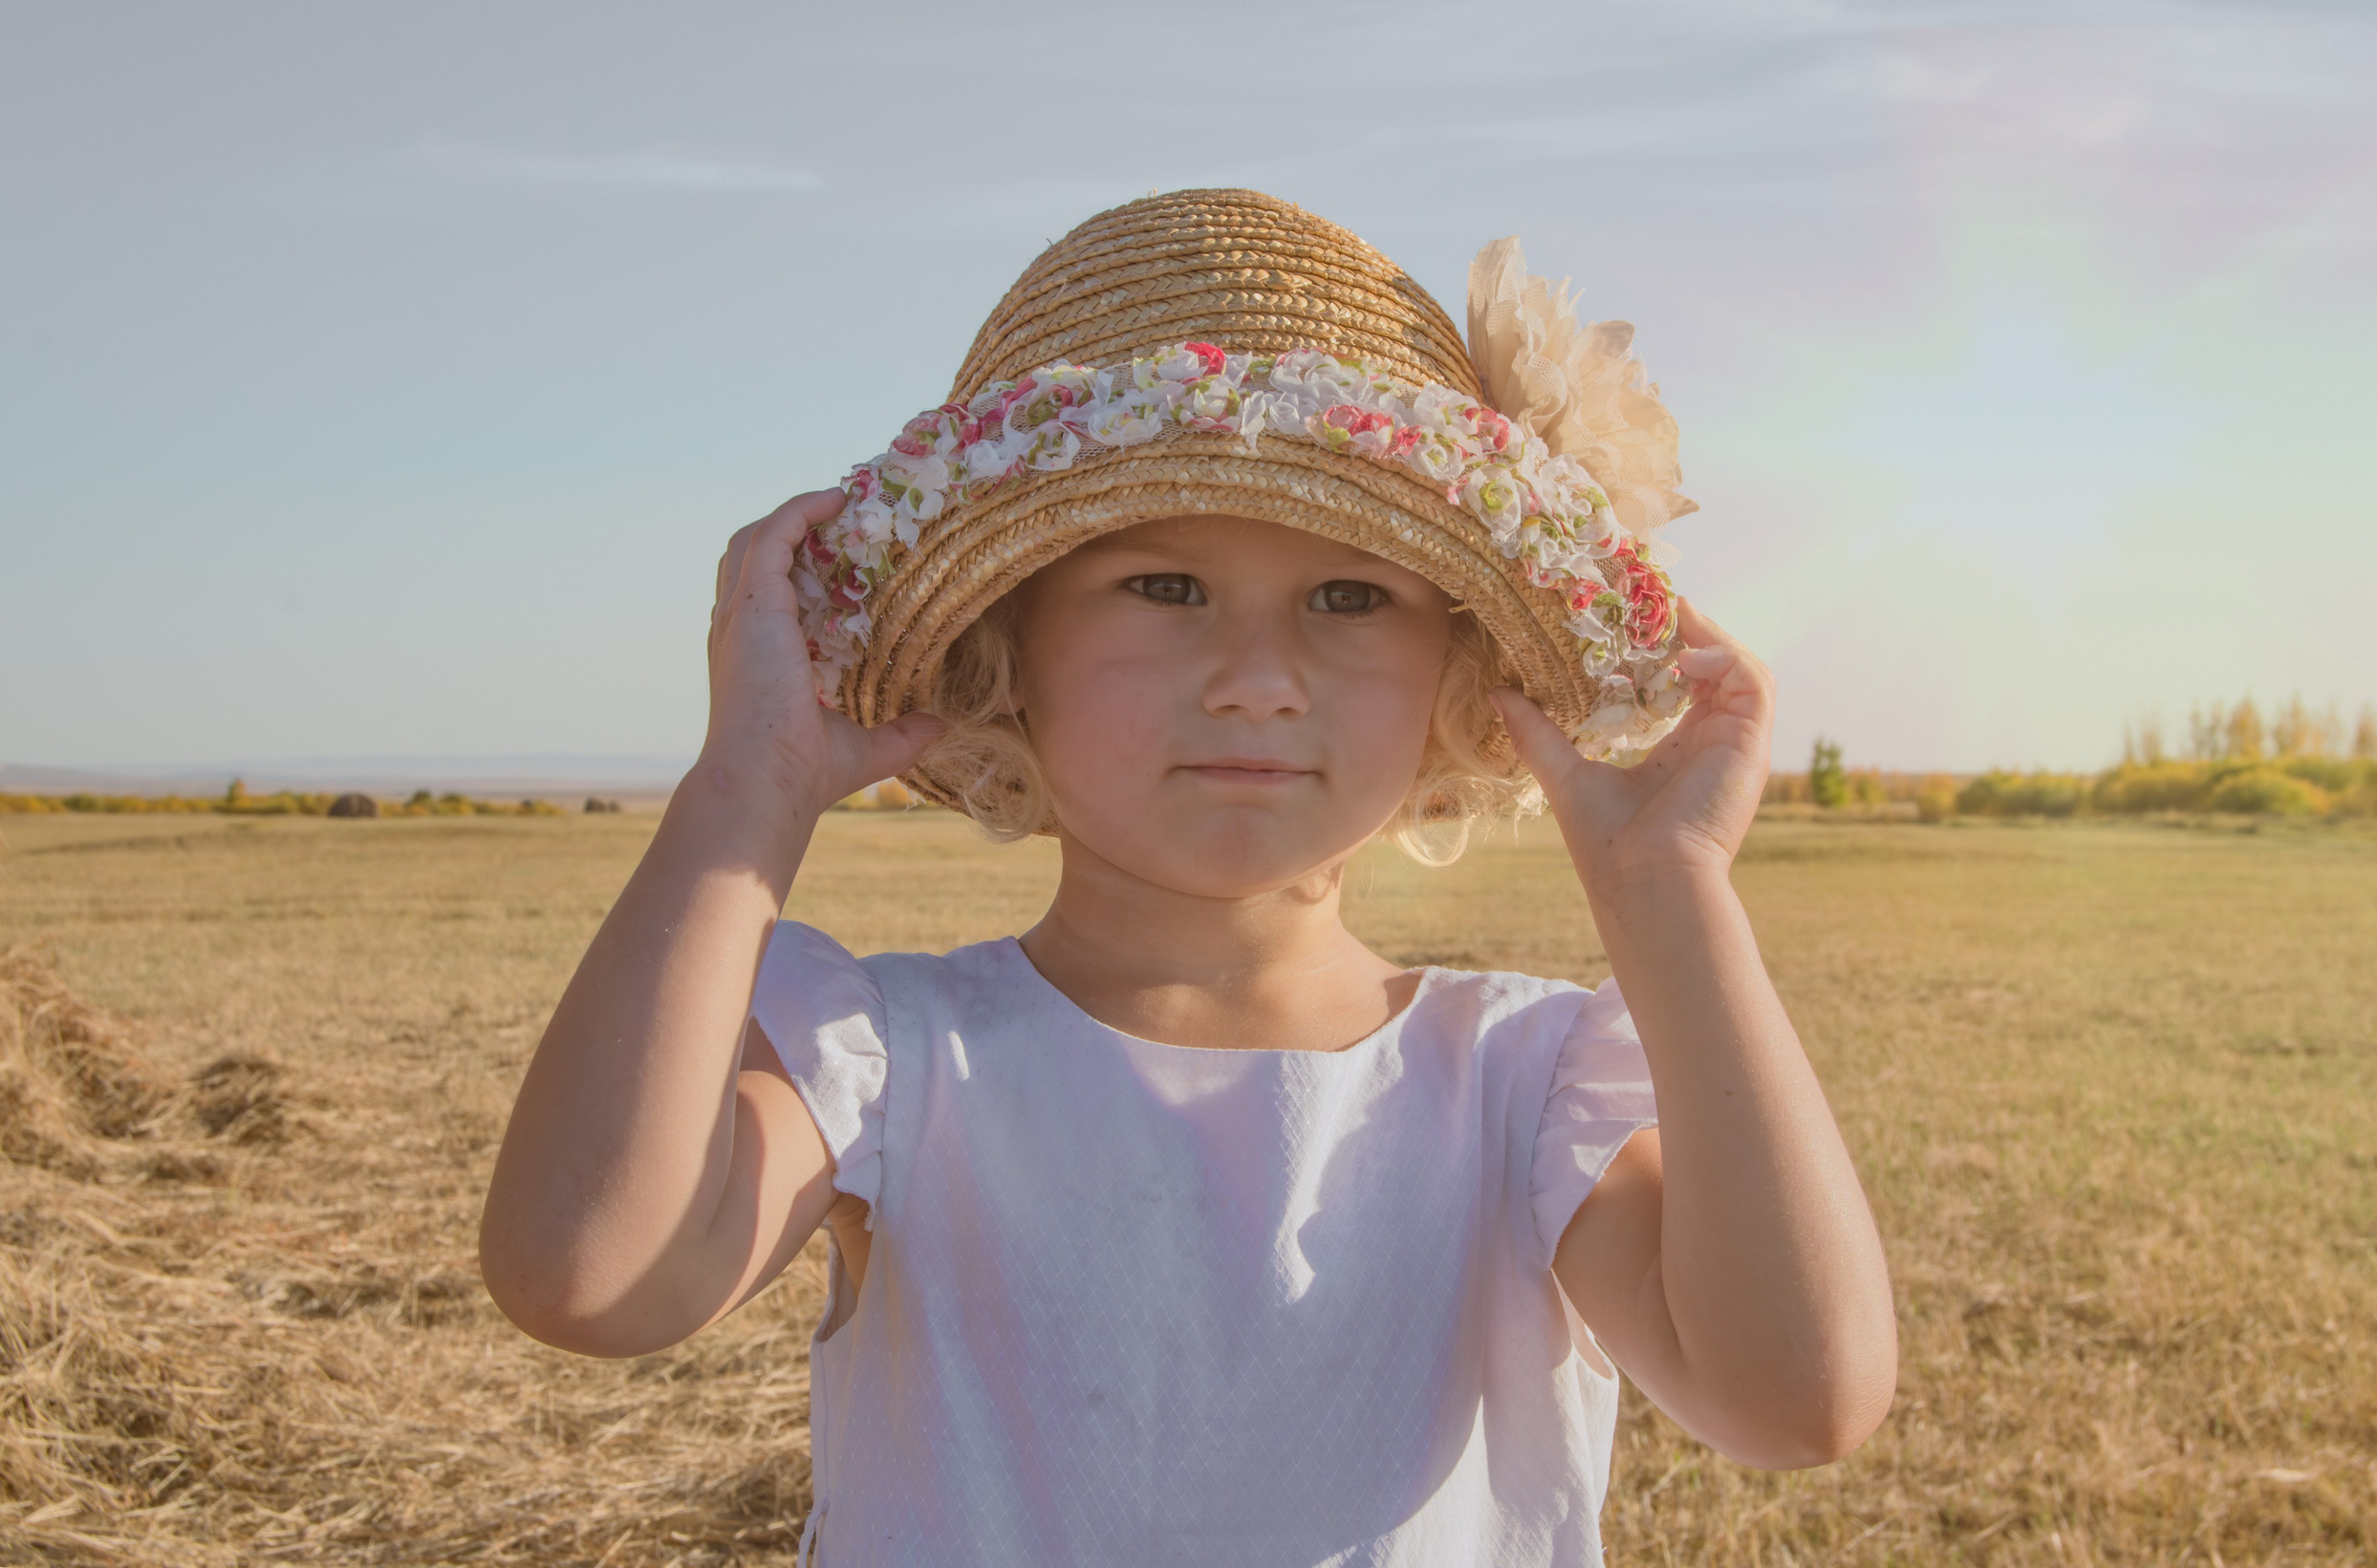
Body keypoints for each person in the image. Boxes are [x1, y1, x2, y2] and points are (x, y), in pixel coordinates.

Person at [480, 190, 1895, 1566]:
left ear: (1457, 671)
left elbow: (1797, 1393)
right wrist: (746, 793)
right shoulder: (898, 1061)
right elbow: (590, 1270)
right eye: (1164, 587)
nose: (1260, 679)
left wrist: (1673, 891)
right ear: (1005, 645)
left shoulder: (1520, 1086)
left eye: (1351, 596)